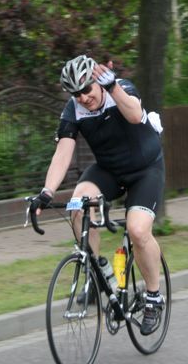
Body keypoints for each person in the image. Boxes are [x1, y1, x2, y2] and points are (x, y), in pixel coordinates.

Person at [30, 54, 166, 334]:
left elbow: (135, 114)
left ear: (98, 82)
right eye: (75, 94)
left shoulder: (121, 89)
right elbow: (63, 152)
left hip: (145, 169)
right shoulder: (74, 110)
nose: (82, 98)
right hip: (109, 171)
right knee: (76, 206)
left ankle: (153, 296)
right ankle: (98, 272)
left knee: (138, 231)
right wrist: (47, 191)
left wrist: (112, 86)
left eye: (86, 90)